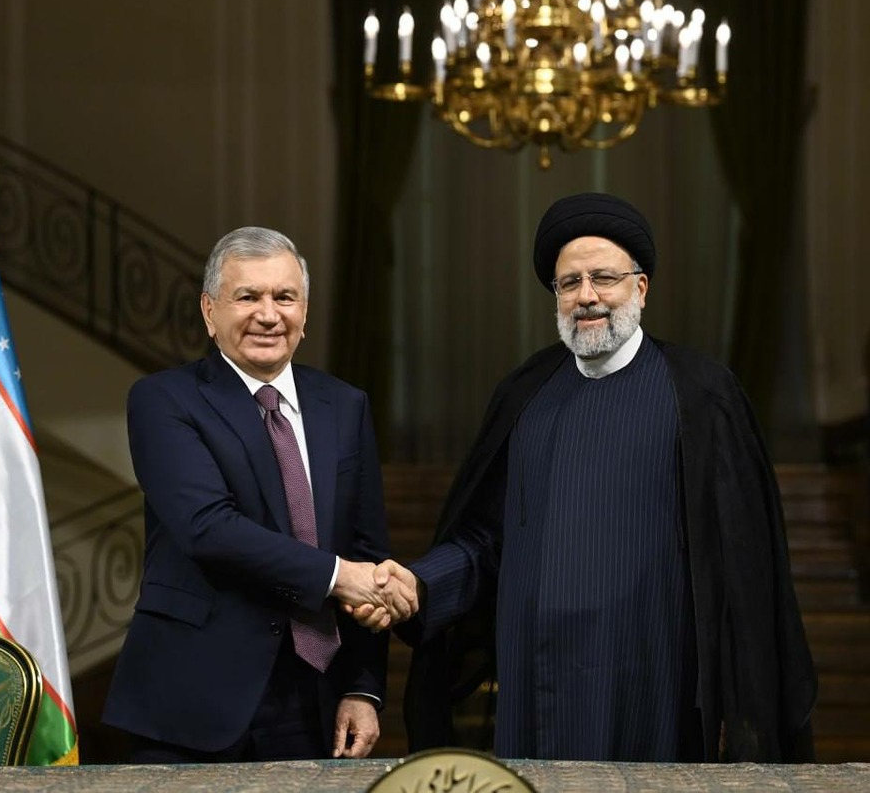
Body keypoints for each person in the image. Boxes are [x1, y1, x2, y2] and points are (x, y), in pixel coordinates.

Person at [353, 192, 817, 762]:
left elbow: (745, 566)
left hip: (654, 686)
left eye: (604, 278)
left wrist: (737, 706)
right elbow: (485, 542)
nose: (587, 296)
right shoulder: (524, 394)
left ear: (640, 288)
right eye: (569, 283)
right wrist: (420, 584)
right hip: (536, 684)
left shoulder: (701, 394)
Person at [102, 226, 417, 763]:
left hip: (315, 702)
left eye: (285, 297)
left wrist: (363, 688)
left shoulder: (345, 405)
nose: (268, 315)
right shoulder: (164, 399)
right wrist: (340, 576)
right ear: (209, 311)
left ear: (305, 312)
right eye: (247, 296)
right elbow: (208, 527)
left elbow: (366, 548)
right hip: (193, 700)